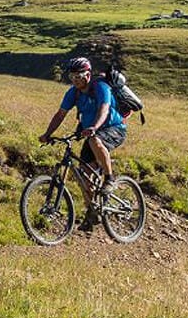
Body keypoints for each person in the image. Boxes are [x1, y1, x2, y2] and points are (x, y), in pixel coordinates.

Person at [39, 56, 127, 230]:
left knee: (95, 140)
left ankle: (110, 178)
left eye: (78, 77)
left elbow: (104, 108)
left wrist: (94, 126)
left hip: (114, 128)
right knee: (84, 176)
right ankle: (93, 212)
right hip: (91, 132)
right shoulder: (73, 93)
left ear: (87, 75)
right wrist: (47, 134)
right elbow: (60, 114)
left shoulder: (101, 87)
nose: (75, 81)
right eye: (72, 78)